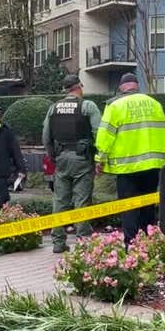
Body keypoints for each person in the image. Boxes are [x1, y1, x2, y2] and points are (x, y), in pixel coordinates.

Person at [95, 73, 165, 247]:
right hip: (153, 165)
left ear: (121, 88)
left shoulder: (115, 105)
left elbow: (105, 135)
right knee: (148, 205)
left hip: (128, 167)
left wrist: (100, 159)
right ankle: (148, 241)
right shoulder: (155, 104)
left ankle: (131, 244)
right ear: (137, 86)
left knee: (129, 206)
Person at [42, 74, 102, 253]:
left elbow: (46, 136)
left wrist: (53, 156)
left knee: (60, 201)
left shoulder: (53, 108)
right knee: (82, 201)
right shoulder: (87, 106)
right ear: (79, 87)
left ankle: (58, 243)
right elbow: (98, 132)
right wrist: (99, 156)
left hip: (61, 158)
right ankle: (84, 242)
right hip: (82, 159)